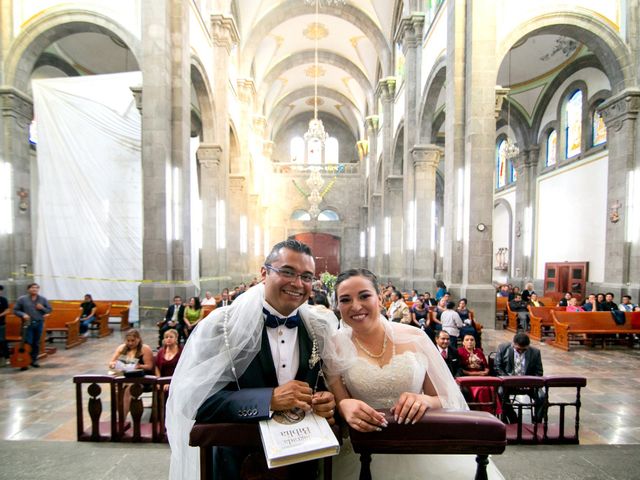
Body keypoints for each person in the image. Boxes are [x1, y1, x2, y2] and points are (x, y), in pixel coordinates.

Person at [166, 239, 337, 480]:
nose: (297, 283)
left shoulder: (319, 328)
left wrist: (326, 402)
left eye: (307, 277)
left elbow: (328, 388)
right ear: (264, 273)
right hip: (237, 465)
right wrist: (267, 400)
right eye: (287, 272)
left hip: (302, 465)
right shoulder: (221, 325)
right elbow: (192, 400)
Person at [327, 269, 478, 479]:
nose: (356, 306)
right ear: (337, 306)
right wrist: (344, 406)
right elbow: (341, 401)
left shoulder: (415, 337)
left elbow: (447, 398)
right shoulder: (334, 346)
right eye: (345, 300)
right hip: (364, 448)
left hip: (420, 442)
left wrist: (425, 400)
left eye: (364, 296)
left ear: (379, 298)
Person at [494, 333, 545, 423]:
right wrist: (508, 381)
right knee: (500, 393)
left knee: (542, 397)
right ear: (513, 344)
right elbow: (498, 367)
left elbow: (539, 372)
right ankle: (513, 418)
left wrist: (530, 384)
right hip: (508, 383)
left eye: (524, 350)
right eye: (518, 349)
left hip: (528, 384)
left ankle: (537, 422)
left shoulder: (535, 352)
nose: (521, 352)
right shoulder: (503, 348)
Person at [108, 329, 154, 417]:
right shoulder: (121, 348)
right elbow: (111, 362)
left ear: (138, 339)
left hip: (140, 378)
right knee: (117, 390)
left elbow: (149, 366)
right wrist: (114, 364)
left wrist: (139, 366)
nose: (130, 343)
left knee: (128, 391)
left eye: (133, 341)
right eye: (128, 341)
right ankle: (118, 414)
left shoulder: (145, 349)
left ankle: (122, 418)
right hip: (124, 376)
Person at [13, 283, 52, 370]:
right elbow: (15, 310)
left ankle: (33, 360)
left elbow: (49, 310)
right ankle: (24, 361)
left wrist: (42, 308)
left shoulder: (43, 299)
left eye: (36, 288)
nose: (34, 289)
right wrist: (22, 314)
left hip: (39, 323)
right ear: (28, 289)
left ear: (38, 289)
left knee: (36, 342)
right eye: (32, 288)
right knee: (27, 342)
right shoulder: (22, 299)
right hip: (27, 324)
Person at [457, 334, 499, 414]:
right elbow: (461, 369)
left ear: (475, 342)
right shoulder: (460, 352)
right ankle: (481, 411)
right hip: (468, 377)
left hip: (482, 376)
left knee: (492, 388)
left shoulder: (479, 351)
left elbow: (486, 367)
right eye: (467, 340)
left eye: (472, 340)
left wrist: (486, 372)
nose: (470, 342)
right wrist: (476, 373)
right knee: (481, 389)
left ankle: (492, 411)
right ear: (463, 342)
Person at [0, 285, 9, 366]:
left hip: (1, 323)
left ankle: (6, 357)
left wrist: (0, 315)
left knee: (2, 340)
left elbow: (7, 310)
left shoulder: (3, 300)